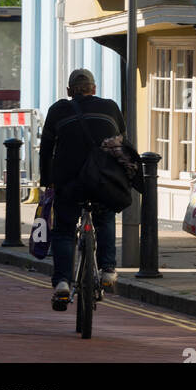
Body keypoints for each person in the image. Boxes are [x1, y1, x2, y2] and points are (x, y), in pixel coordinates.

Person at [39, 68, 126, 311]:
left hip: (68, 182)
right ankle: (108, 270)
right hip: (102, 179)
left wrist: (47, 183)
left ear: (69, 92)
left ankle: (63, 283)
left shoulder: (58, 110)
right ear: (94, 89)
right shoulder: (110, 107)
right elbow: (122, 142)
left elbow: (46, 150)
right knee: (105, 217)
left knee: (65, 231)